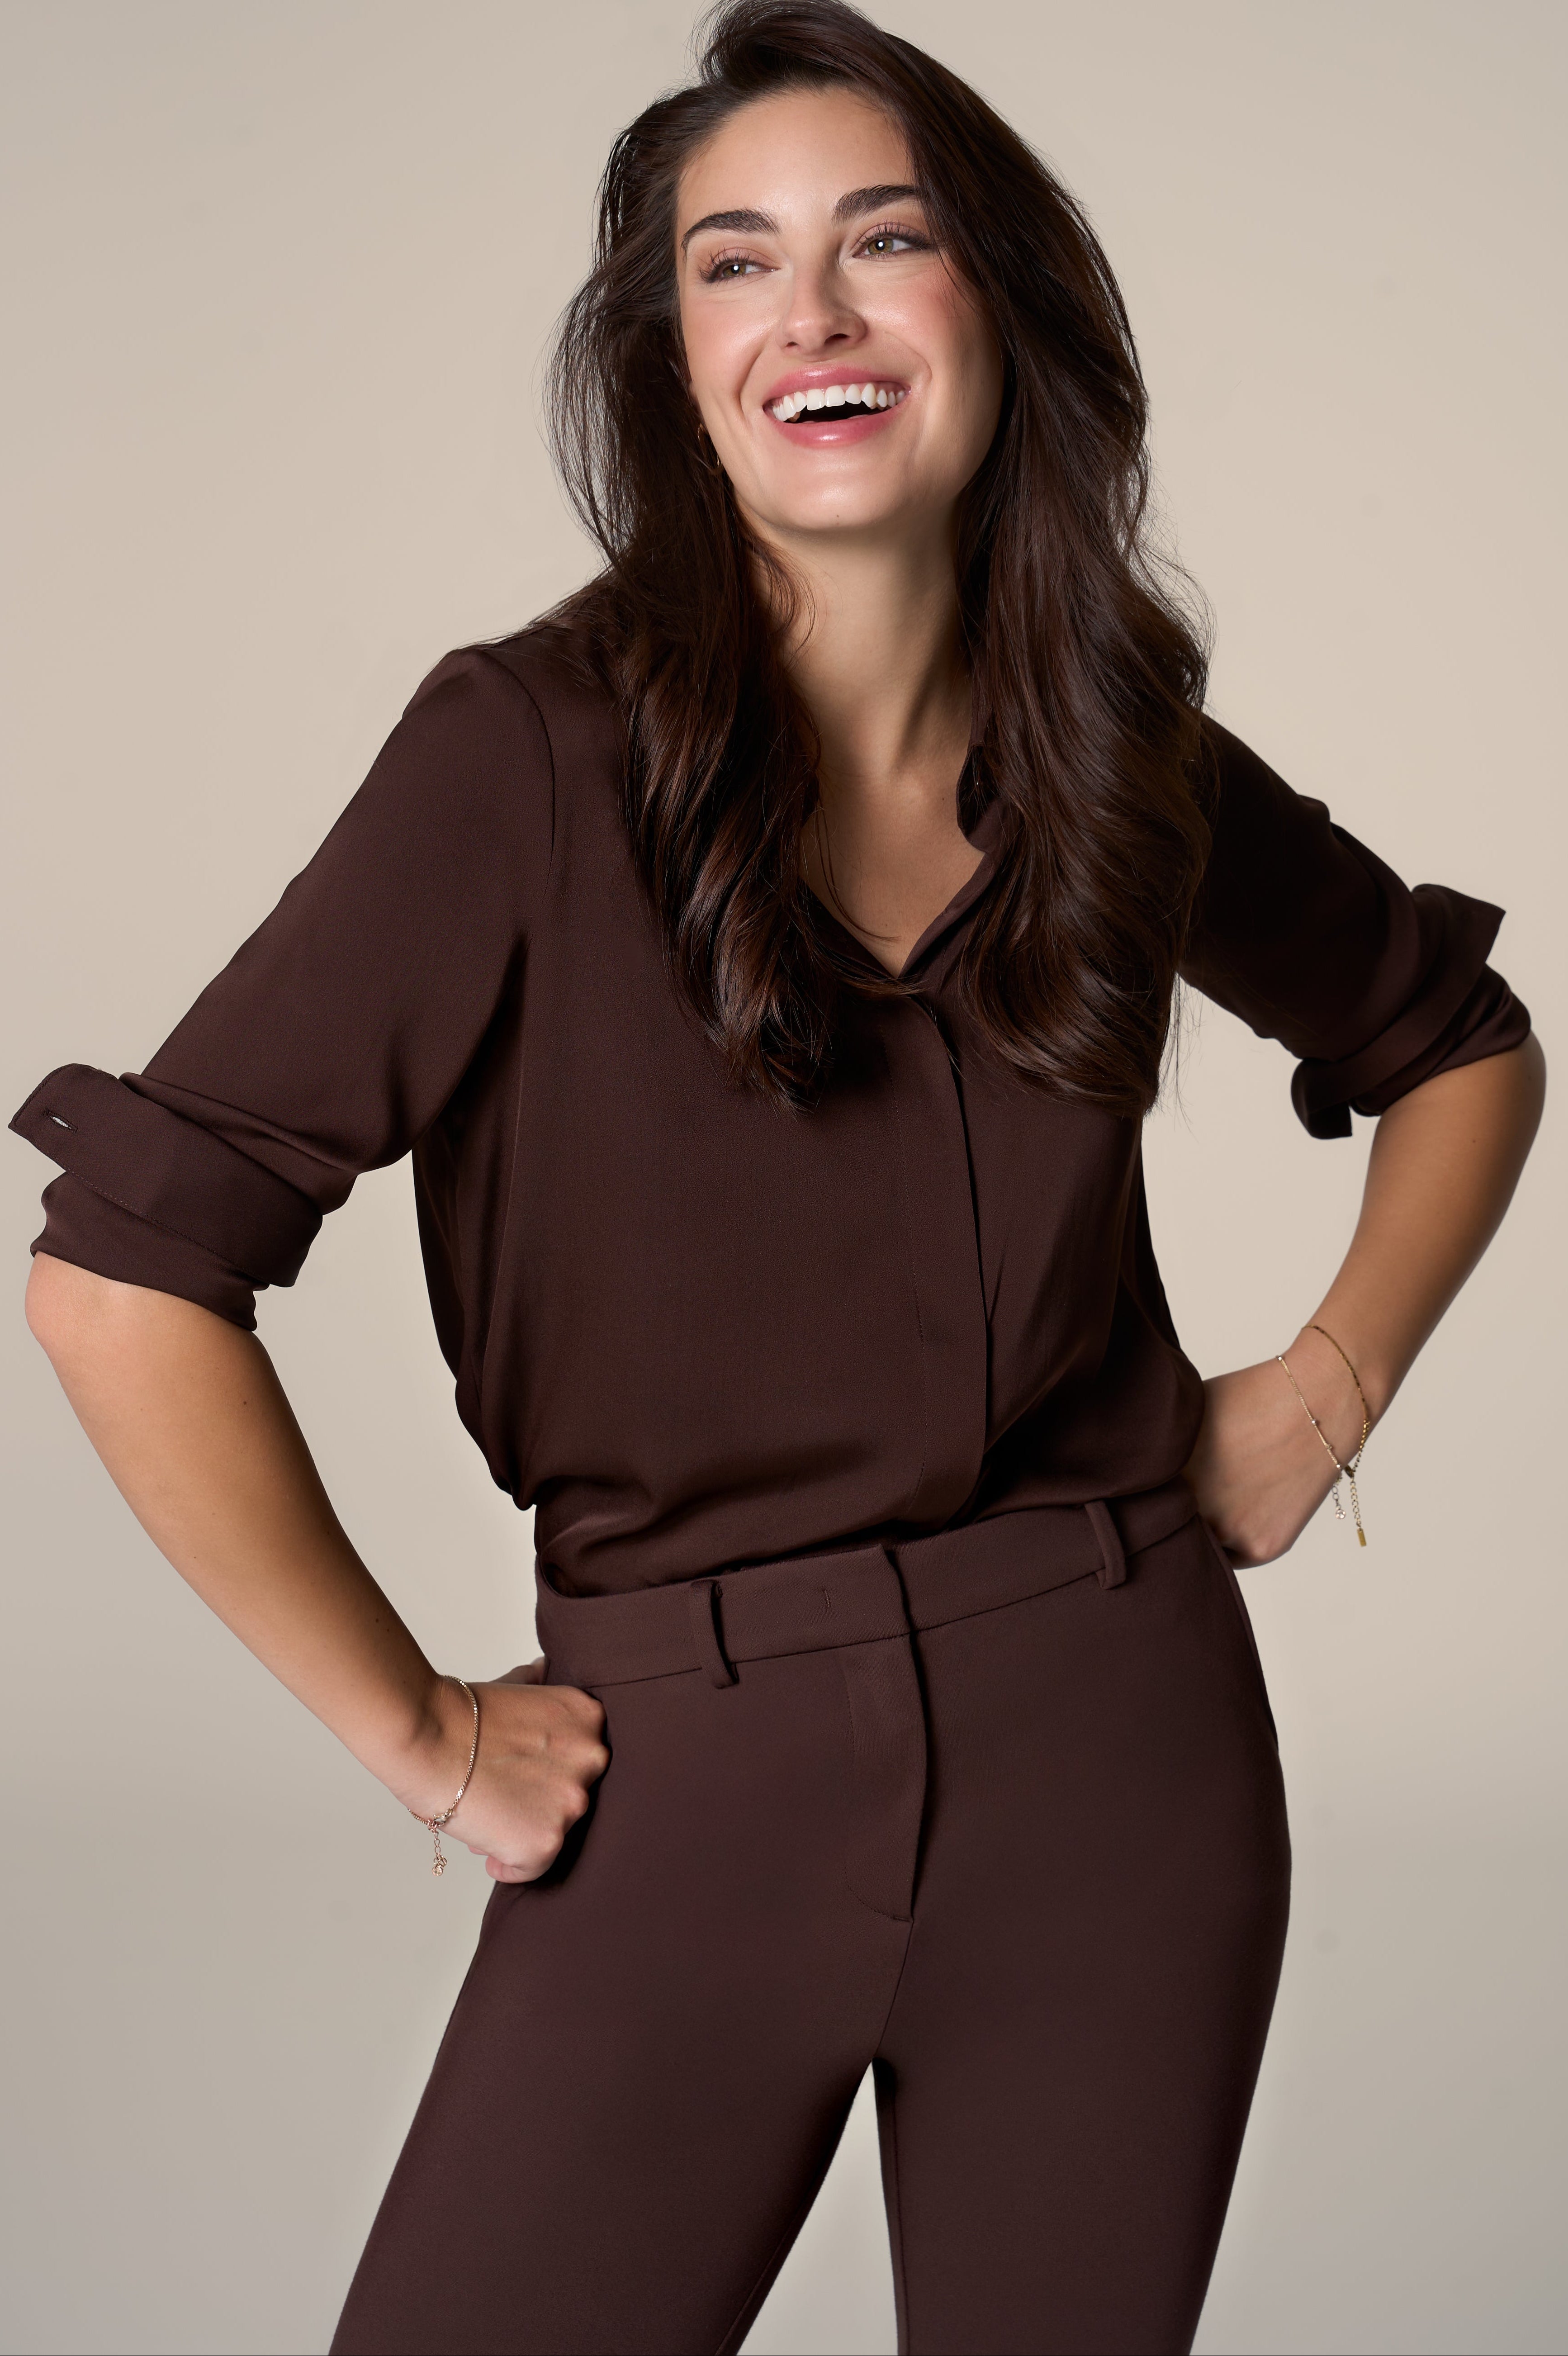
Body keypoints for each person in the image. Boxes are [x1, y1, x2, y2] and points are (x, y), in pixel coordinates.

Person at [11, 4, 1545, 2351]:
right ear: (675, 362)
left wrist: (1328, 1383)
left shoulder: (1110, 737)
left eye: (882, 239)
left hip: (1122, 1759)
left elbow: (1457, 1044)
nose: (809, 310)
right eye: (733, 264)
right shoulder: (518, 757)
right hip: (684, 1781)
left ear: (997, 316)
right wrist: (419, 1732)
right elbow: (124, 1274)